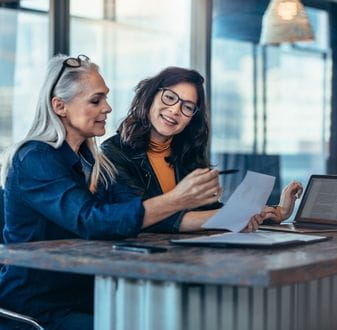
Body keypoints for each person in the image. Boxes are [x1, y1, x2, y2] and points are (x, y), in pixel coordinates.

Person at [0, 56, 265, 330]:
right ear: (60, 106)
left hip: (88, 295)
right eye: (96, 100)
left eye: (106, 99)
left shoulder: (93, 162)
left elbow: (141, 212)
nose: (107, 107)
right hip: (40, 307)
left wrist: (233, 218)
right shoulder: (34, 158)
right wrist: (177, 199)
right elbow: (92, 220)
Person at [101, 66, 303, 232]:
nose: (175, 111)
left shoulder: (187, 153)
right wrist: (234, 216)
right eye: (170, 97)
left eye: (187, 107)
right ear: (150, 96)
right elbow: (146, 216)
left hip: (189, 255)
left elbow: (209, 211)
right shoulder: (114, 152)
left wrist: (276, 212)